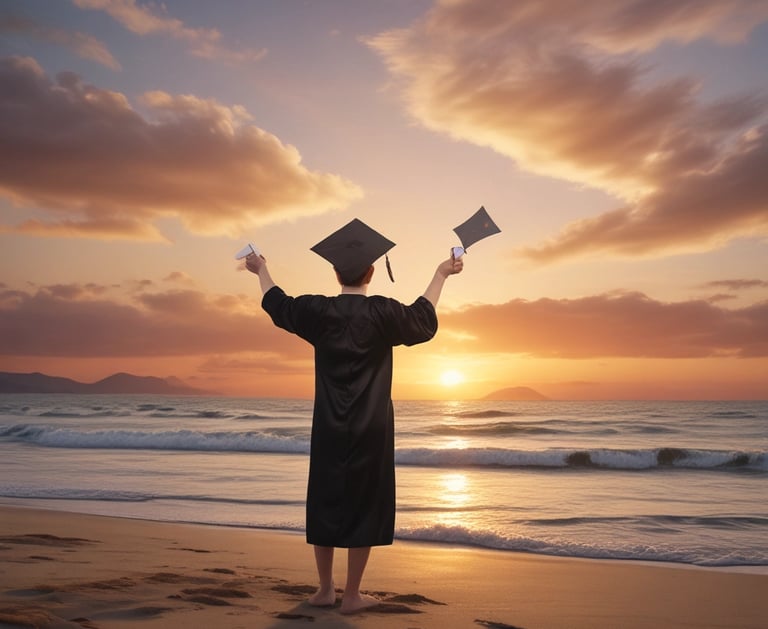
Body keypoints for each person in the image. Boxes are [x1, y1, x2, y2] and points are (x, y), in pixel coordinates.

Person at [245, 219, 463, 614]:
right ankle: (352, 595)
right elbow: (423, 320)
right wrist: (441, 273)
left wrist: (260, 269)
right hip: (372, 425)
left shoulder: (318, 311)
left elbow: (277, 304)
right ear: (372, 271)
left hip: (329, 422)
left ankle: (325, 589)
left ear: (335, 272)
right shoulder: (381, 312)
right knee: (366, 499)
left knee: (325, 496)